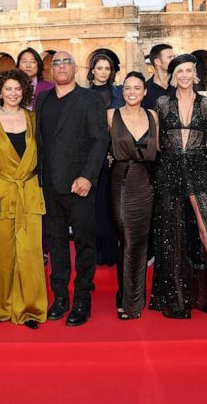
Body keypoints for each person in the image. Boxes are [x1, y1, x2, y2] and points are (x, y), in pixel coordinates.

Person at [150, 54, 207, 322]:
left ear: (194, 74)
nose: (184, 75)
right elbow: (158, 143)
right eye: (180, 71)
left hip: (198, 172)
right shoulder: (162, 103)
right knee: (171, 236)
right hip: (169, 172)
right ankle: (176, 300)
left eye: (188, 70)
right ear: (173, 76)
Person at [36, 50, 108, 327]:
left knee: (84, 244)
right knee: (55, 245)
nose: (62, 67)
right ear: (51, 70)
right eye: (56, 63)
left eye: (67, 62)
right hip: (50, 186)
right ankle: (60, 298)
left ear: (75, 68)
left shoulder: (90, 99)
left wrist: (88, 177)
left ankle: (82, 300)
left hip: (80, 185)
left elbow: (99, 140)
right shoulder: (42, 99)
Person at [0, 69, 48, 328]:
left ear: (25, 92)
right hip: (0, 194)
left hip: (29, 193)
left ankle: (30, 309)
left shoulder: (33, 120)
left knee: (30, 255)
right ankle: (0, 307)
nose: (13, 93)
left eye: (18, 89)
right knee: (1, 256)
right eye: (8, 89)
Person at [107, 71, 158, 319]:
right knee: (126, 235)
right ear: (122, 91)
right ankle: (125, 295)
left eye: (137, 88)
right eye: (127, 88)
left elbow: (160, 151)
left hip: (145, 182)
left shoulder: (153, 117)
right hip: (119, 180)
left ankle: (133, 297)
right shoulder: (111, 115)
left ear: (145, 91)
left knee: (139, 239)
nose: (132, 92)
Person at [88, 51, 122, 267]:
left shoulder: (118, 93)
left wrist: (113, 151)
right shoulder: (84, 94)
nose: (103, 72)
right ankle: (99, 250)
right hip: (93, 156)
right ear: (92, 71)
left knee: (114, 204)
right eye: (99, 68)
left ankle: (114, 249)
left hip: (116, 155)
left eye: (107, 69)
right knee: (97, 204)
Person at [142, 43, 174, 111]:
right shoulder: (144, 90)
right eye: (170, 57)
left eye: (174, 57)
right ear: (157, 62)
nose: (174, 60)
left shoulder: (180, 86)